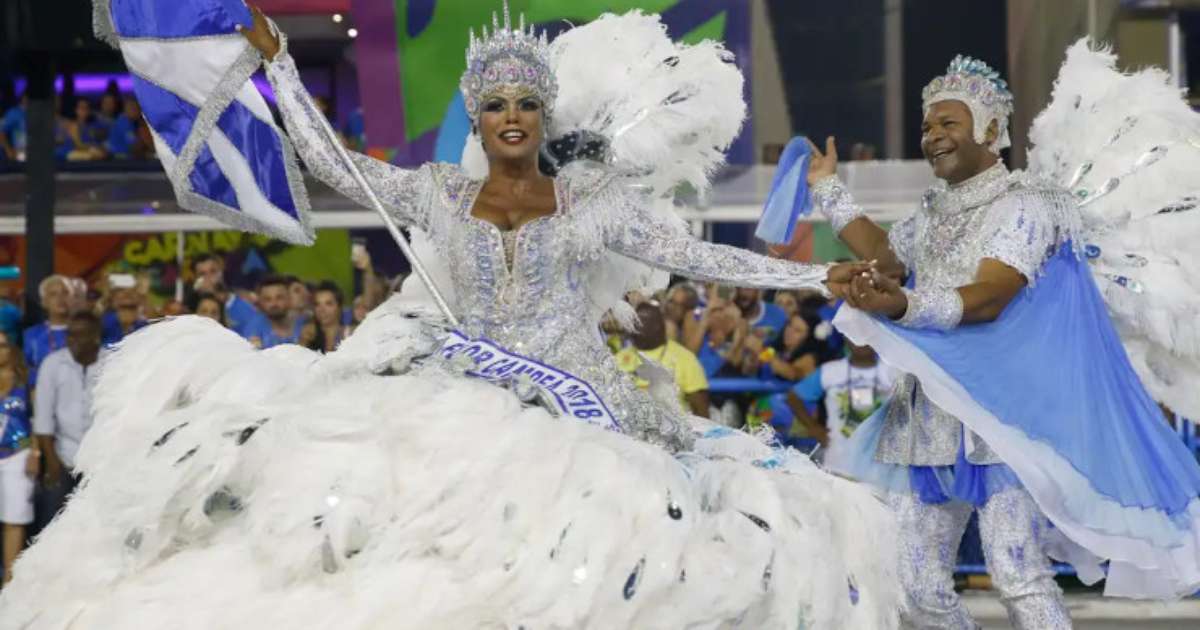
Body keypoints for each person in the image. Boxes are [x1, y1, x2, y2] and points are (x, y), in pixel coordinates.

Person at [0, 7, 899, 629]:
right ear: (479, 113)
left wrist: (825, 274)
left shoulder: (590, 203)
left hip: (575, 405)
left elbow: (703, 258)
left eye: (526, 105)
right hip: (461, 393)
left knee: (599, 558)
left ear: (543, 115)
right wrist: (275, 61)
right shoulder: (435, 193)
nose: (512, 117)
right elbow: (331, 163)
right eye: (497, 104)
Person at [812, 51, 1200, 626]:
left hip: (1009, 418)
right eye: (926, 126)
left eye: (949, 123)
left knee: (1018, 575)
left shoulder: (1026, 206)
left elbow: (991, 295)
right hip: (930, 414)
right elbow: (889, 258)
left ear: (991, 130)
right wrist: (828, 190)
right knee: (912, 582)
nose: (932, 136)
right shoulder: (932, 211)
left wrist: (906, 303)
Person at [31, 312, 101, 533]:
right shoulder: (53, 364)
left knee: (98, 524)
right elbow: (43, 418)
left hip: (100, 461)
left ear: (96, 337)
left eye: (81, 335)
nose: (73, 340)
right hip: (62, 456)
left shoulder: (112, 363)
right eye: (70, 335)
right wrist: (52, 463)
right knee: (51, 525)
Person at [786, 341, 894, 450]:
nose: (861, 342)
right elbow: (793, 397)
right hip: (838, 455)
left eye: (866, 336)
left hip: (879, 455)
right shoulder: (829, 371)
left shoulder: (893, 372)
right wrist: (814, 428)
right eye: (855, 336)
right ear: (845, 337)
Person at [615, 302, 710, 418]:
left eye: (642, 325)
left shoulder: (685, 359)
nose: (635, 331)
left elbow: (701, 410)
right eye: (634, 325)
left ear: (660, 327)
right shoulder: (619, 358)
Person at [0, 334, 33, 585]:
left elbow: (40, 417)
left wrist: (36, 451)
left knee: (14, 518)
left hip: (17, 455)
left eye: (1, 345)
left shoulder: (25, 380)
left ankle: (10, 583)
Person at [190, 253, 261, 336]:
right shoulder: (190, 311)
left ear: (222, 271)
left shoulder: (247, 302)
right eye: (202, 274)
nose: (209, 277)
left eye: (213, 271)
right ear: (195, 280)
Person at [22, 276, 72, 389]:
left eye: (65, 293)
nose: (60, 298)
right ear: (44, 302)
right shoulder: (31, 335)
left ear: (73, 298)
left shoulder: (86, 331)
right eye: (53, 294)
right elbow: (24, 371)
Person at [247, 274, 304, 348]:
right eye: (267, 299)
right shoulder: (254, 329)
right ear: (260, 302)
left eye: (279, 297)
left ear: (289, 297)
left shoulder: (305, 323)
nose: (274, 304)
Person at [299, 281, 349, 353]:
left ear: (339, 307)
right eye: (317, 304)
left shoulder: (350, 335)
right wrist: (303, 341)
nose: (321, 310)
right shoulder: (308, 334)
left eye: (328, 304)